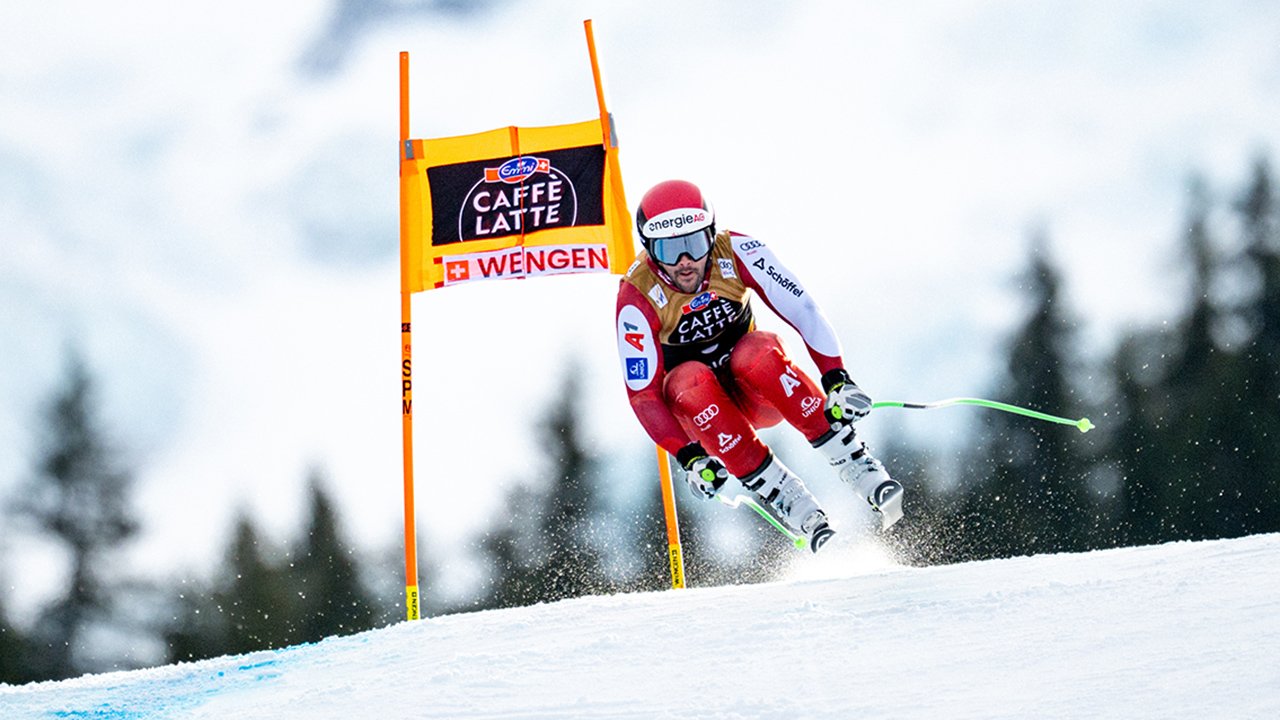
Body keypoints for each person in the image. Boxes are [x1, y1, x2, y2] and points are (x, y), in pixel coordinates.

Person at [615, 179, 904, 553]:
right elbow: (643, 395)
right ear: (650, 250)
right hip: (702, 414)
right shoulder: (636, 294)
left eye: (694, 244)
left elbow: (803, 309)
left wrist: (836, 378)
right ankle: (795, 505)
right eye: (669, 250)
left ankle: (859, 466)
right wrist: (689, 458)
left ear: (711, 234)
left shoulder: (738, 251)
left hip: (757, 391)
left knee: (757, 351)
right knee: (687, 380)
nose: (684, 262)